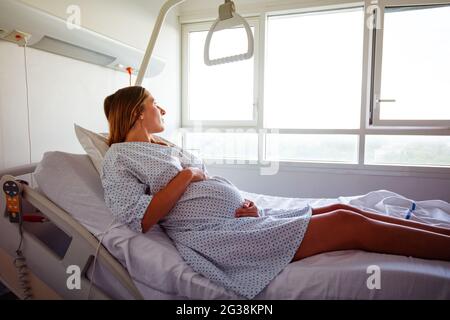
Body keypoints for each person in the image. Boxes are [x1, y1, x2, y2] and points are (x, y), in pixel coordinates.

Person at [101, 86, 450, 299]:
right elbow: (142, 217)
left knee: (343, 212)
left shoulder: (164, 146)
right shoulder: (118, 157)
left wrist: (237, 204)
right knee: (347, 222)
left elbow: (200, 190)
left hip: (235, 222)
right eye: (154, 103)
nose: (161, 109)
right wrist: (190, 174)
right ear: (137, 112)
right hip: (217, 240)